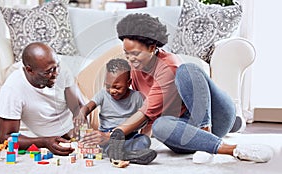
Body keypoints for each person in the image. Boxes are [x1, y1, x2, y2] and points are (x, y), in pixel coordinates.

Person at [103, 13, 273, 164]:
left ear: (153, 48)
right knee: (160, 126)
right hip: (183, 126)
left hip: (214, 114)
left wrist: (115, 133)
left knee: (188, 70)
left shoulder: (168, 66)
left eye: (136, 54)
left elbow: (145, 112)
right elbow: (145, 112)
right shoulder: (135, 68)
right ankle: (228, 128)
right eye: (127, 53)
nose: (131, 59)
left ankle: (224, 143)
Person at [0, 42, 84, 156]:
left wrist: (80, 126)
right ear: (29, 70)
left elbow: (78, 107)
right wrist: (44, 142)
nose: (56, 74)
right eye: (48, 72)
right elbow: (5, 138)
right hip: (43, 135)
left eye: (56, 67)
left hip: (71, 128)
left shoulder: (60, 69)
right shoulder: (12, 89)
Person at [76, 58, 156, 164]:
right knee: (104, 143)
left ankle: (122, 154)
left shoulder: (137, 97)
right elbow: (89, 107)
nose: (112, 91)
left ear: (129, 83)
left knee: (145, 141)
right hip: (107, 135)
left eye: (117, 87)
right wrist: (82, 113)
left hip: (128, 134)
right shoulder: (103, 94)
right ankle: (123, 152)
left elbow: (146, 117)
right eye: (108, 86)